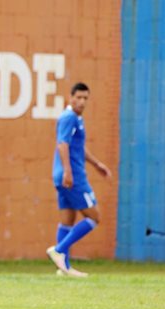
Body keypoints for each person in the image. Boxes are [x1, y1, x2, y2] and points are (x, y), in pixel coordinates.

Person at [46, 82, 111, 277]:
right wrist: (68, 171)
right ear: (70, 97)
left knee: (67, 220)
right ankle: (59, 250)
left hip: (63, 176)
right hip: (72, 177)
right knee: (94, 216)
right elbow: (62, 145)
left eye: (85, 98)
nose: (82, 101)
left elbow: (77, 147)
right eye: (79, 97)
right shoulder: (69, 117)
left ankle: (62, 268)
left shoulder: (77, 118)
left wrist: (96, 164)